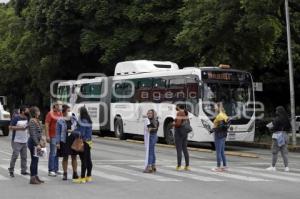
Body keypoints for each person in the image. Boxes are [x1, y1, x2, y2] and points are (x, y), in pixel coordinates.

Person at [56, 105, 79, 181]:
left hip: (73, 139)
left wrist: (74, 131)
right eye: (68, 110)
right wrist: (58, 142)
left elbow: (78, 128)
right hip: (64, 140)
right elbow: (58, 133)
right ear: (64, 111)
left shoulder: (74, 119)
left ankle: (75, 173)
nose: (70, 112)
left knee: (74, 157)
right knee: (65, 157)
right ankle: (65, 173)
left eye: (70, 110)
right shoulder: (60, 120)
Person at [266, 106, 291, 172]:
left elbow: (273, 127)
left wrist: (269, 127)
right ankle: (286, 167)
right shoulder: (287, 119)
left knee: (275, 152)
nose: (276, 112)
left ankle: (273, 166)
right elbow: (289, 128)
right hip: (285, 135)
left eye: (276, 110)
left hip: (277, 135)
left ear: (279, 111)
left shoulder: (277, 119)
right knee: (284, 152)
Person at [8, 106, 30, 177]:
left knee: (24, 157)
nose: (28, 112)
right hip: (16, 140)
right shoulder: (16, 118)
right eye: (27, 110)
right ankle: (11, 170)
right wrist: (20, 128)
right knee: (15, 155)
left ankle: (23, 170)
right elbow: (10, 127)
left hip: (24, 140)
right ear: (23, 111)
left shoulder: (27, 118)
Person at [73, 106, 93, 184]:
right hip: (89, 142)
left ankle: (82, 178)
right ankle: (89, 176)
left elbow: (81, 133)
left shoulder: (82, 121)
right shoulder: (88, 120)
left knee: (83, 160)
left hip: (83, 142)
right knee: (88, 159)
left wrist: (74, 131)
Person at [45, 102, 63, 177]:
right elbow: (46, 125)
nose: (61, 106)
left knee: (57, 153)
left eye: (61, 105)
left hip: (59, 136)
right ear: (55, 106)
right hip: (53, 136)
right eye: (59, 104)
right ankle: (51, 170)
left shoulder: (60, 114)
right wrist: (47, 136)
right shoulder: (50, 113)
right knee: (53, 152)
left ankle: (56, 169)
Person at [28, 106, 44, 184]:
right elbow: (33, 134)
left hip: (37, 142)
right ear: (34, 112)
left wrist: (41, 139)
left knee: (36, 160)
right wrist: (37, 144)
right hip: (33, 143)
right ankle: (32, 178)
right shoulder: (32, 121)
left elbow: (39, 132)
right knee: (34, 160)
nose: (39, 112)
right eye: (37, 111)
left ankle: (36, 176)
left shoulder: (37, 120)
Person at [211, 102, 229, 172]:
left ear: (218, 107)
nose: (214, 108)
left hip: (218, 135)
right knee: (222, 151)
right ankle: (225, 166)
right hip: (223, 135)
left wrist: (213, 129)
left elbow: (218, 126)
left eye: (215, 107)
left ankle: (218, 167)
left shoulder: (219, 116)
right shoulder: (224, 114)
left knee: (218, 152)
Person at [173, 105, 190, 171]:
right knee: (185, 149)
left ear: (178, 106)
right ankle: (187, 166)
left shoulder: (180, 113)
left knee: (179, 150)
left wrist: (173, 124)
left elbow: (178, 124)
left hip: (179, 133)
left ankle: (179, 166)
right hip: (185, 133)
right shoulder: (186, 113)